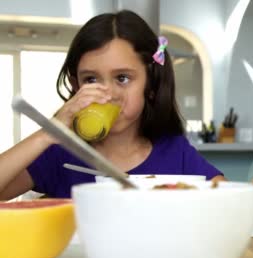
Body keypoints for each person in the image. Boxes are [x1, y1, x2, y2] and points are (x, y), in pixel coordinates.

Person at [0, 10, 224, 200]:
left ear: (151, 85)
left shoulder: (175, 153)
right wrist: (46, 134)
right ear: (76, 86)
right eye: (91, 80)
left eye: (122, 78)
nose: (106, 95)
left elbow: (224, 196)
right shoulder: (60, 154)